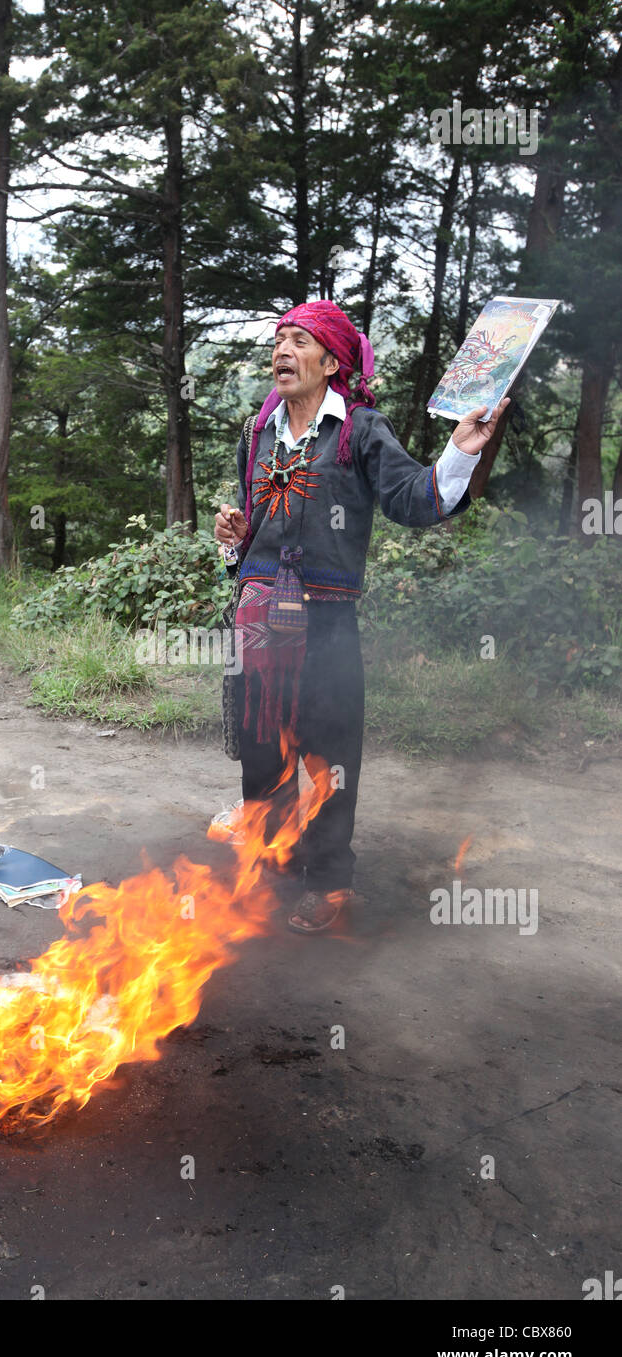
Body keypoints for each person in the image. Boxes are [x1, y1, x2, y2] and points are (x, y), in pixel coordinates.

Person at [212, 300, 510, 934]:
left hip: (326, 625)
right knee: (262, 753)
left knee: (329, 757)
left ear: (332, 362)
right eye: (280, 339)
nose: (283, 350)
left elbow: (413, 499)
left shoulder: (360, 430)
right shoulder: (257, 433)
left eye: (300, 341)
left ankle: (328, 881)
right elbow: (251, 528)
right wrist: (234, 539)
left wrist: (459, 451)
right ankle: (273, 862)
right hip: (259, 623)